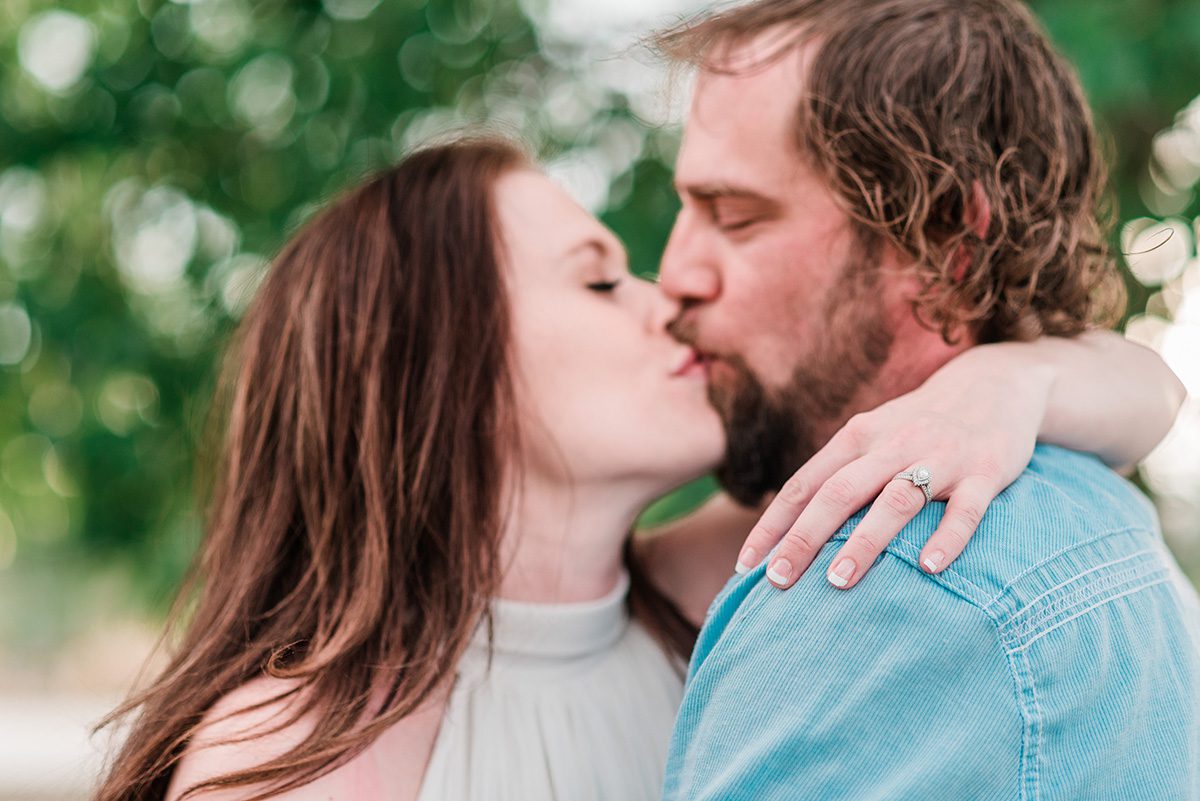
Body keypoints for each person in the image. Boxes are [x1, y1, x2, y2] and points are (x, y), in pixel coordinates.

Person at [92, 137, 1180, 801]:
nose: (671, 298)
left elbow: (1151, 398)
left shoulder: (727, 579)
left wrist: (1002, 388)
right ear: (444, 361)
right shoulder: (291, 749)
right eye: (600, 279)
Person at [652, 1, 1200, 799]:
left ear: (947, 245)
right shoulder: (1099, 513)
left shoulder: (874, 582)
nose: (673, 273)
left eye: (734, 216)